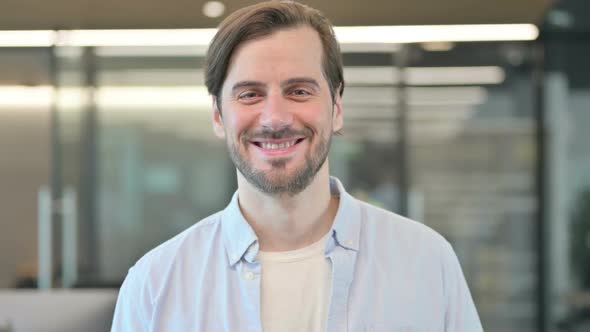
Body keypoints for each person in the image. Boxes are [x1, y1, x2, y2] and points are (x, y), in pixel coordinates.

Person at [111, 1, 483, 331]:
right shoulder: (155, 285)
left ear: (336, 107)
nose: (275, 118)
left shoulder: (426, 262)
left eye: (300, 91)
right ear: (218, 115)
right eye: (250, 94)